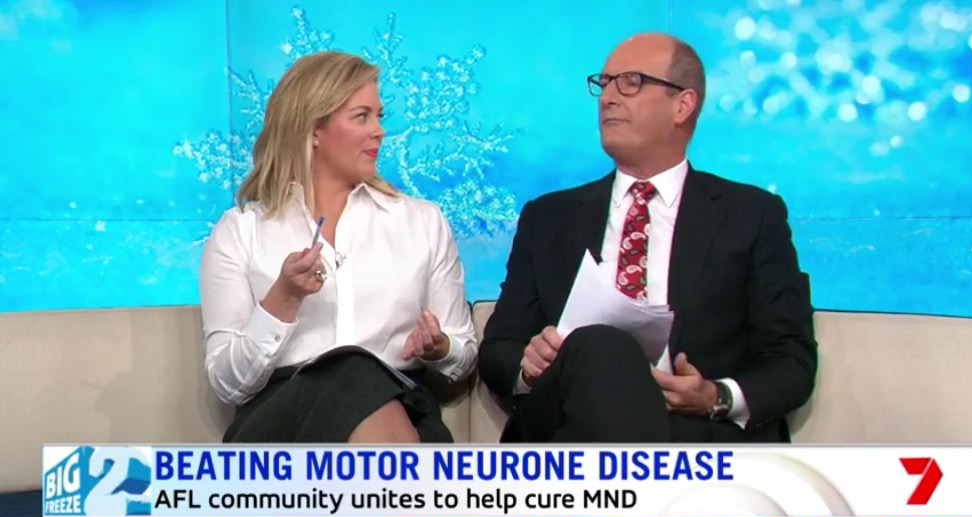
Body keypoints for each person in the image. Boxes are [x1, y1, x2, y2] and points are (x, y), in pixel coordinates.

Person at [478, 33, 817, 444]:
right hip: (568, 425)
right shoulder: (549, 217)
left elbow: (791, 361)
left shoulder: (752, 215)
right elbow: (498, 350)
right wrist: (528, 365)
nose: (608, 98)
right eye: (604, 83)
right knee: (601, 345)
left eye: (630, 82)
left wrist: (715, 396)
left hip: (695, 432)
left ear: (683, 105)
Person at [199, 51, 477, 444]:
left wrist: (440, 348)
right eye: (362, 117)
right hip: (283, 423)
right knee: (350, 368)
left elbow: (463, 354)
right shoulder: (241, 231)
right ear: (314, 129)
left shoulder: (422, 222)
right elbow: (228, 384)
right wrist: (282, 299)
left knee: (361, 373)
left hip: (405, 405)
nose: (379, 131)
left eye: (379, 116)